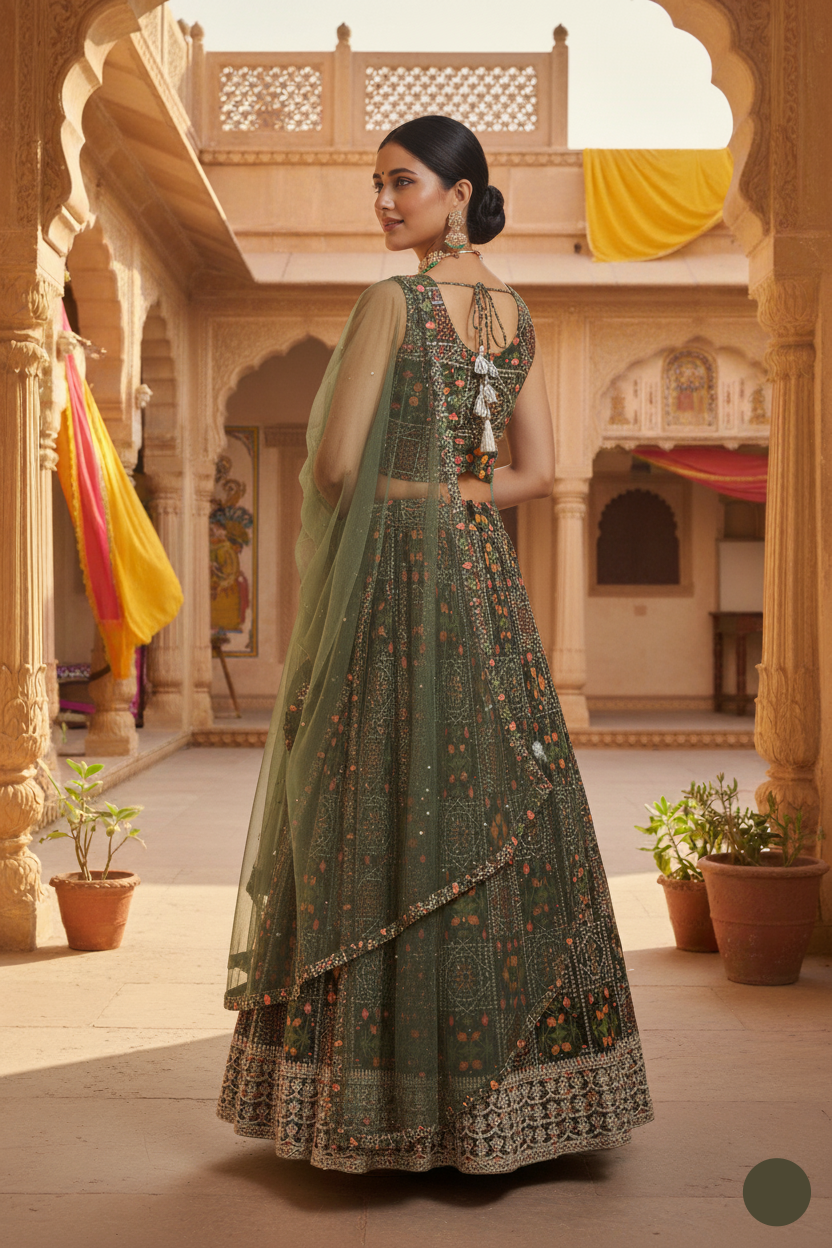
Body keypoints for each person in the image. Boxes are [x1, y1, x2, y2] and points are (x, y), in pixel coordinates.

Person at [217, 114, 654, 1173]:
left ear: (460, 193)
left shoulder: (393, 306)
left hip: (398, 588)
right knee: (504, 799)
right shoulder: (514, 312)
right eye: (376, 184)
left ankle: (371, 1107)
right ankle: (524, 1105)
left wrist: (400, 495)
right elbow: (537, 474)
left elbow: (329, 472)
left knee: (377, 805)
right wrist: (455, 491)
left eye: (401, 183)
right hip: (484, 585)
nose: (382, 202)